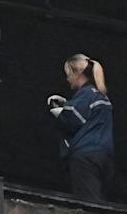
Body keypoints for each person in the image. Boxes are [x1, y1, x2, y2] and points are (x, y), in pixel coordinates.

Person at [47, 54, 114, 202]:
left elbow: (71, 121)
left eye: (69, 74)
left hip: (85, 159)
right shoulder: (101, 97)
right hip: (104, 158)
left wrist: (59, 112)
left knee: (89, 206)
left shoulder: (84, 95)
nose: (67, 79)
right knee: (101, 203)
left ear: (77, 73)